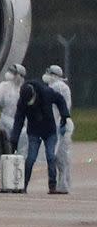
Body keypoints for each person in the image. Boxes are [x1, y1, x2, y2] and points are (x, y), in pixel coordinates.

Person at [12, 79, 70, 193]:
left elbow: (60, 99)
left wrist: (64, 115)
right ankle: (23, 185)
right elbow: (18, 120)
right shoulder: (23, 102)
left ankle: (52, 186)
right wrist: (14, 139)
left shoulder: (46, 92)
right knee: (31, 158)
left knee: (50, 156)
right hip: (34, 131)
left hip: (49, 130)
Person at [43, 65, 74, 194]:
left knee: (60, 156)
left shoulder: (57, 87)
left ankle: (63, 185)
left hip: (61, 124)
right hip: (61, 123)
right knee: (61, 156)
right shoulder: (60, 87)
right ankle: (63, 183)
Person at [0, 63, 28, 156]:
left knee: (21, 151)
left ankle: (19, 167)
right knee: (4, 147)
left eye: (13, 72)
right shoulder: (5, 86)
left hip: (21, 124)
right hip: (5, 121)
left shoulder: (25, 89)